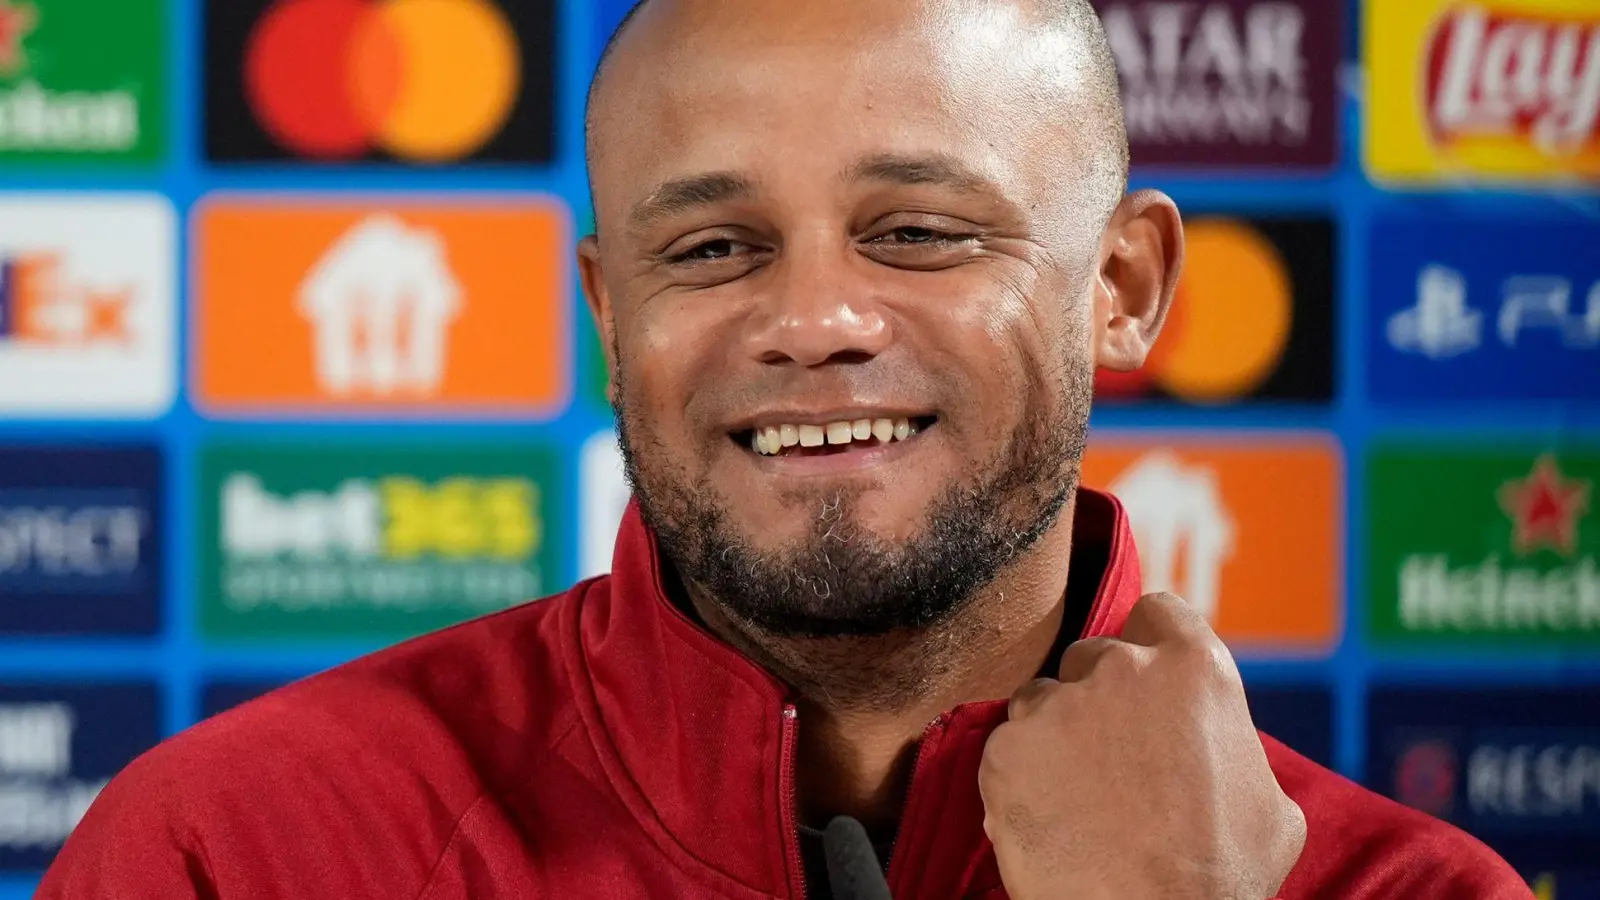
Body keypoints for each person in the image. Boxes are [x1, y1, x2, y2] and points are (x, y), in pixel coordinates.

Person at [39, 1, 1533, 898]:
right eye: (711, 246)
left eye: (920, 232)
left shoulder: (1408, 889)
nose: (813, 317)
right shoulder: (237, 856)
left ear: (1124, 285)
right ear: (610, 312)